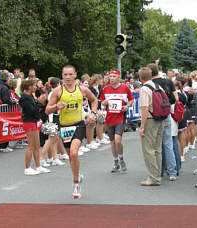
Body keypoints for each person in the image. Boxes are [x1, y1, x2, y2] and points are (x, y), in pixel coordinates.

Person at [46, 65, 98, 199]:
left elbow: (94, 100)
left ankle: (75, 184)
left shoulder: (82, 90)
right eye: (65, 75)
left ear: (75, 75)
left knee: (74, 152)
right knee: (71, 156)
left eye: (70, 74)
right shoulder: (58, 91)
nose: (68, 77)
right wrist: (56, 106)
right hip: (64, 127)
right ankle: (78, 176)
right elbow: (47, 110)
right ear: (62, 76)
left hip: (79, 125)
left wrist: (92, 113)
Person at [100, 69, 134, 173]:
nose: (111, 78)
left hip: (120, 118)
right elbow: (101, 102)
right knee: (112, 142)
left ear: (118, 78)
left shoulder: (125, 88)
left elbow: (131, 99)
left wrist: (127, 106)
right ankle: (116, 162)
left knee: (118, 140)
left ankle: (121, 159)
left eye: (114, 77)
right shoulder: (105, 89)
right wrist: (104, 102)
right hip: (109, 119)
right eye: (110, 76)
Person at [148, 64, 178, 181]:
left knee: (155, 145)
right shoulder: (168, 82)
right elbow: (175, 98)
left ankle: (158, 171)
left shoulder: (149, 85)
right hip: (166, 113)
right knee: (168, 143)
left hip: (154, 116)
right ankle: (172, 171)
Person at [138, 67, 165, 186]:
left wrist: (142, 126)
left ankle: (153, 177)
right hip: (160, 118)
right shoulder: (158, 86)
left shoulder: (144, 89)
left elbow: (145, 107)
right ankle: (158, 173)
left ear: (140, 78)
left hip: (150, 119)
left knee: (148, 149)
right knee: (157, 148)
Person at [19, 79, 51, 175]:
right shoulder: (24, 98)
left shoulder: (30, 96)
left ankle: (38, 166)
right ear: (29, 87)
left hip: (33, 121)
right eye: (34, 85)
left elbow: (35, 109)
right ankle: (27, 168)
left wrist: (40, 103)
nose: (36, 87)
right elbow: (32, 111)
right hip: (29, 122)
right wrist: (40, 103)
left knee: (36, 146)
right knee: (31, 146)